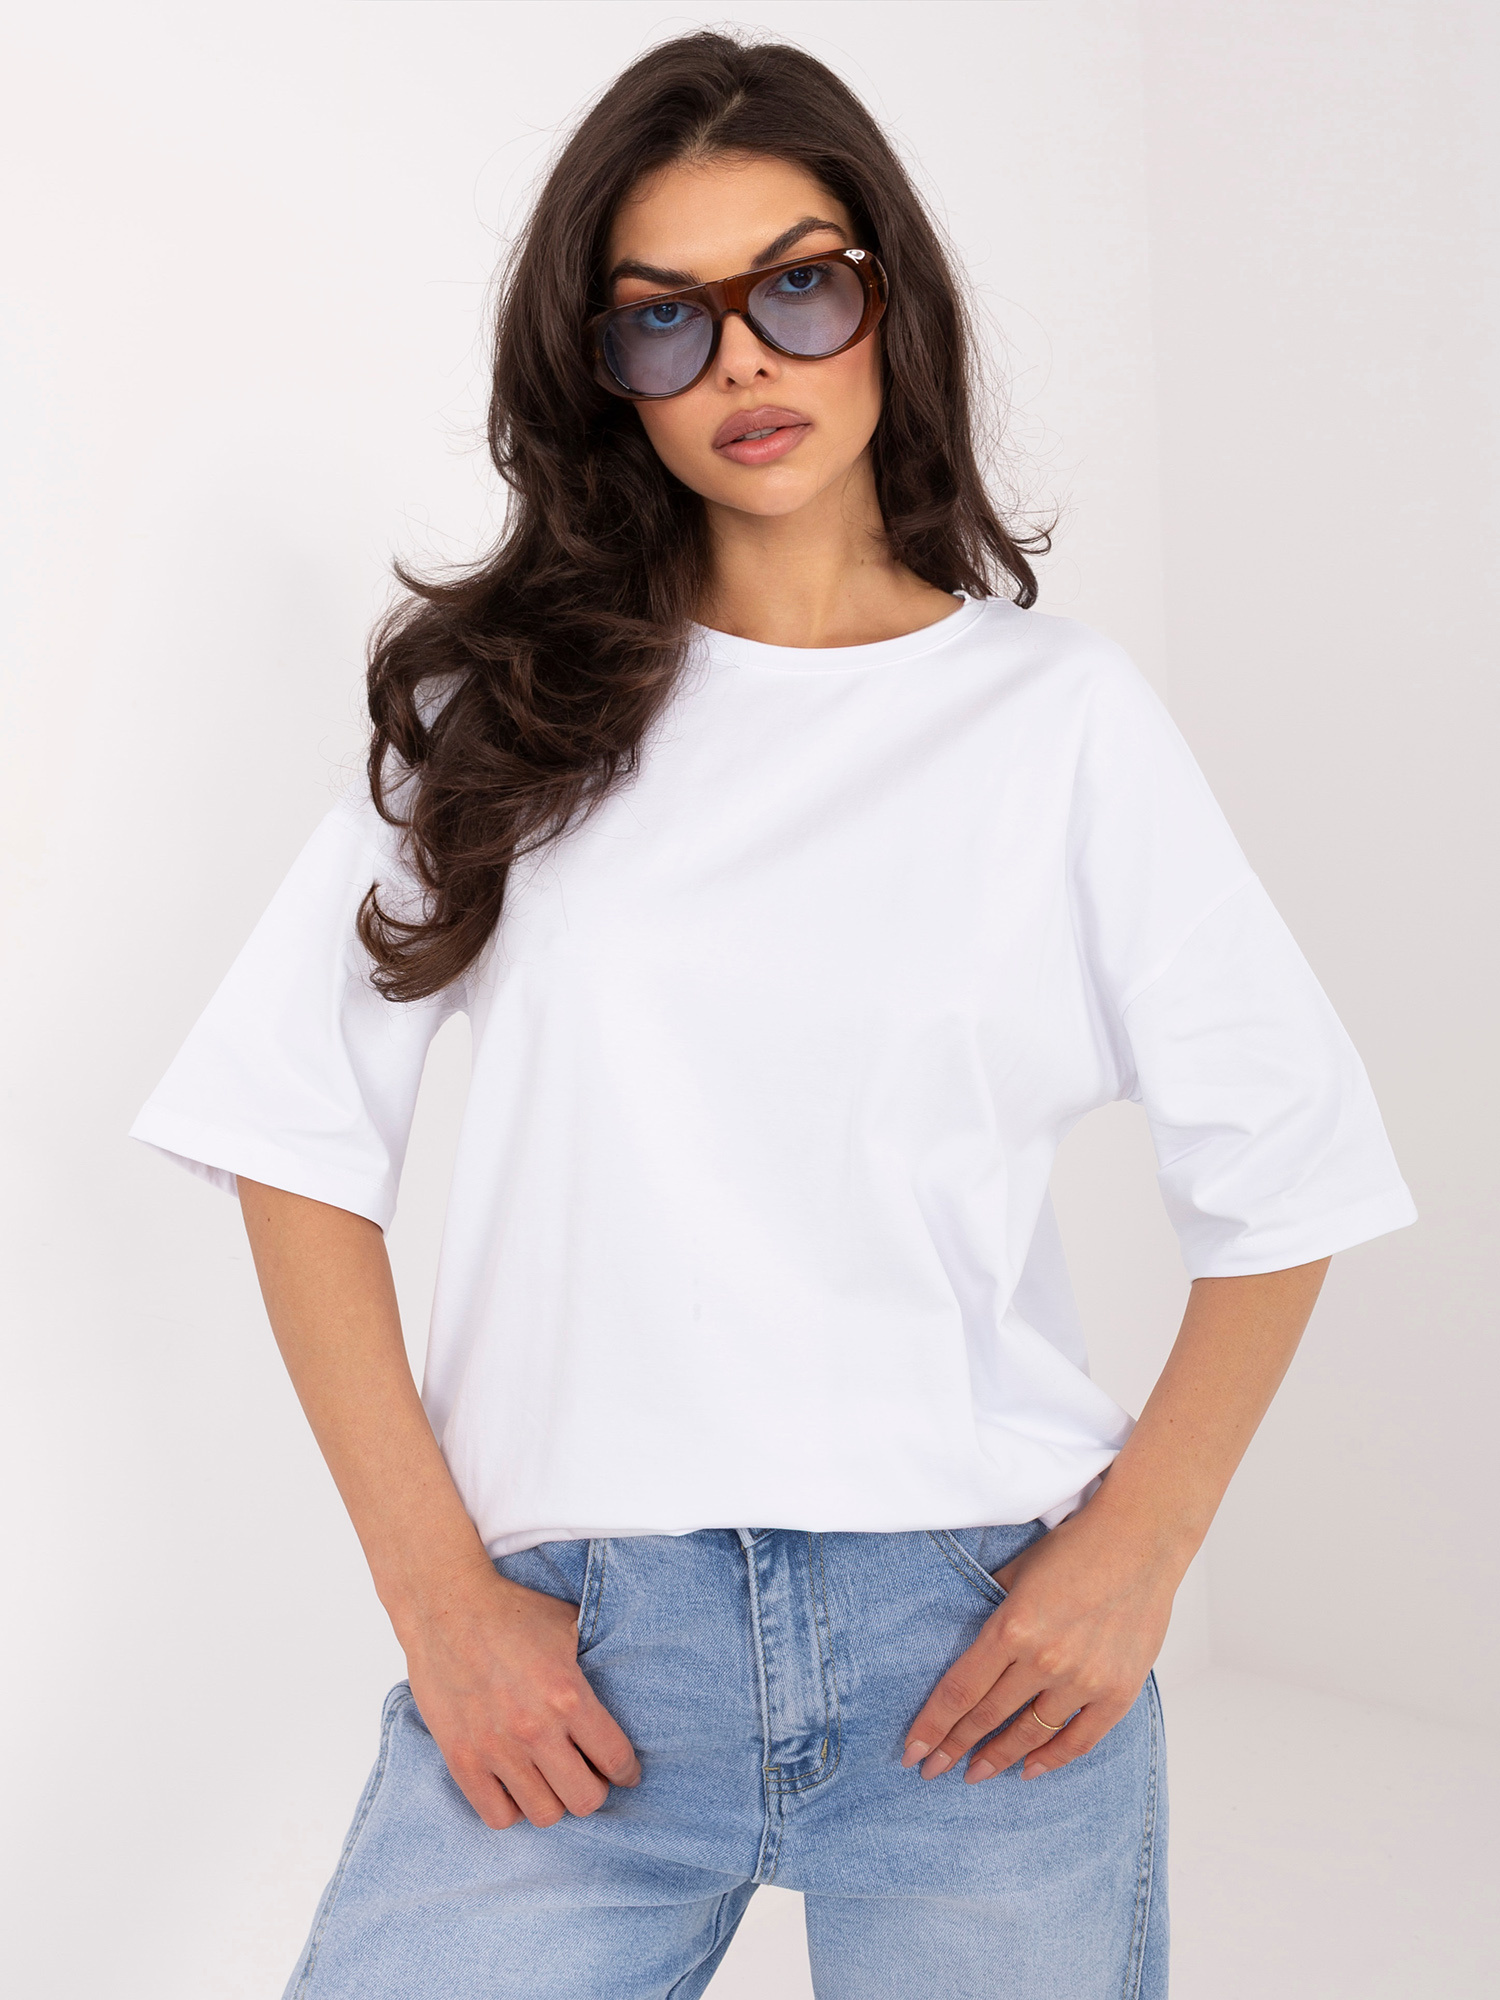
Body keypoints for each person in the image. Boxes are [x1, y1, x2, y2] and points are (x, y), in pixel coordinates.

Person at [129, 30, 1415, 2000]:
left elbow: (1291, 1173)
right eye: (665, 317)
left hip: (975, 1651)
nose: (742, 360)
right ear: (602, 371)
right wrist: (438, 1597)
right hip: (575, 1665)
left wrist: (1138, 1555)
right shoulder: (505, 713)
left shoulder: (1057, 722)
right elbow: (290, 1138)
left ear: (890, 304)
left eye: (798, 288)